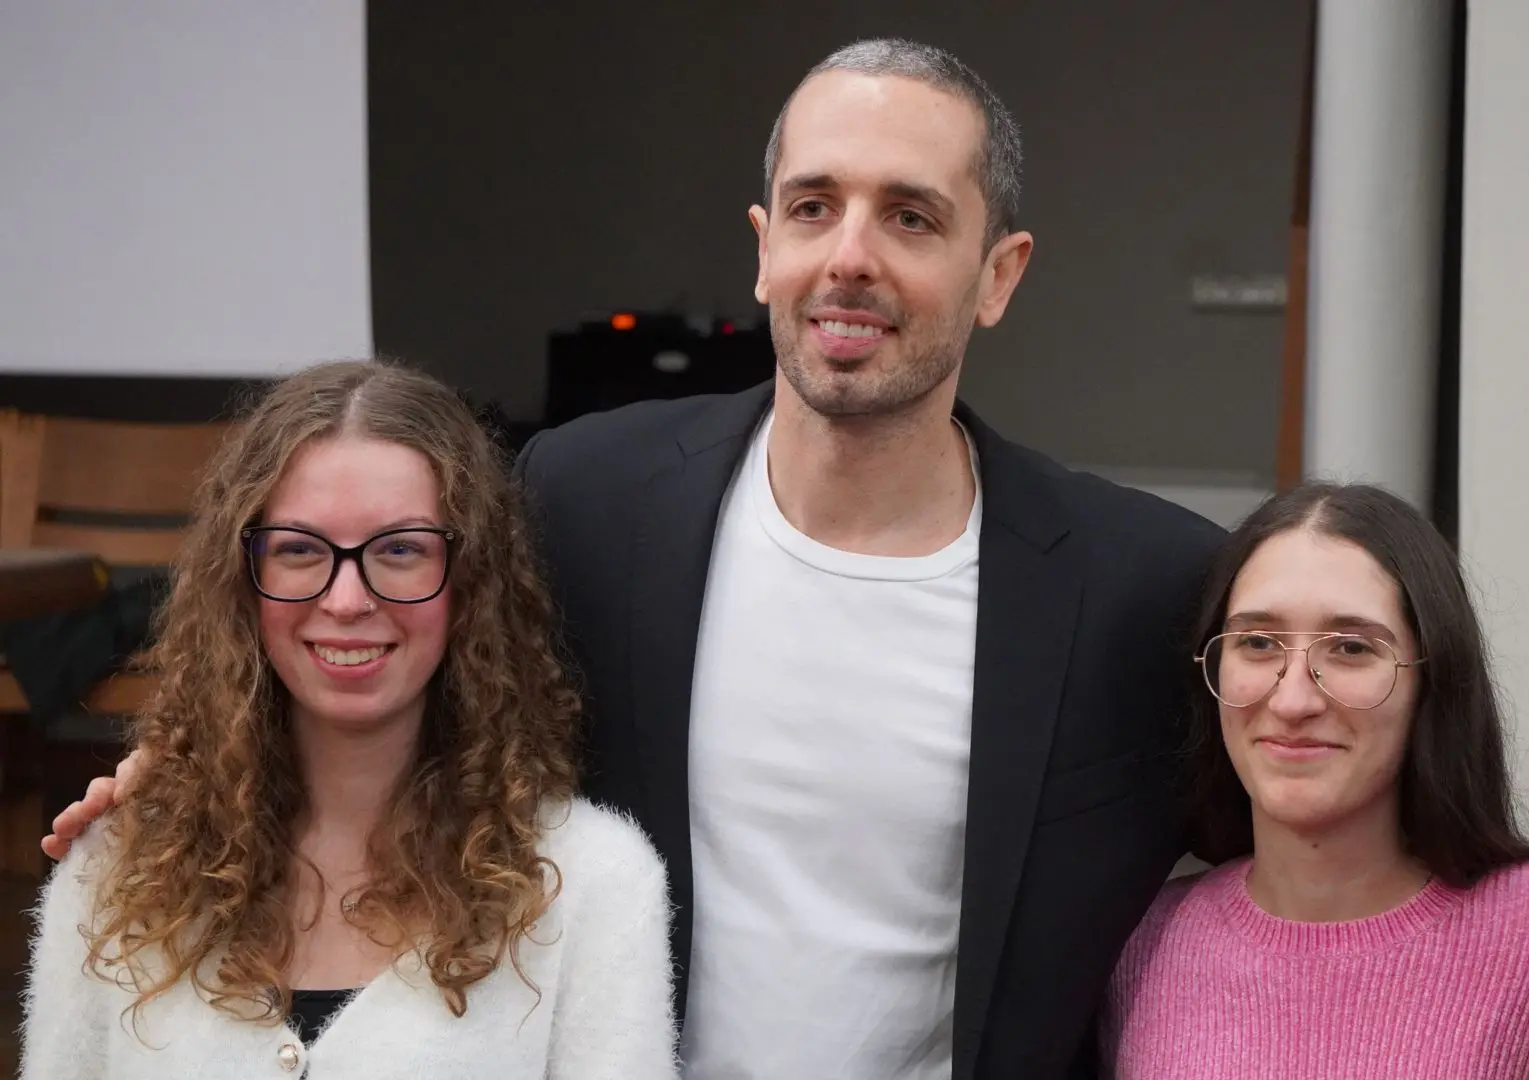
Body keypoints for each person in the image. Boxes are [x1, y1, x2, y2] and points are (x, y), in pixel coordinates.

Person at [47, 39, 1222, 1080]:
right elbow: (384, 641)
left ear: (1000, 272)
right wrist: (192, 763)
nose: (850, 256)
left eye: (911, 217)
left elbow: (1314, 828)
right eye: (814, 207)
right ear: (765, 248)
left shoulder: (1134, 584)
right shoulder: (589, 496)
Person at [23, 360, 676, 1079]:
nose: (346, 599)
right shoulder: (117, 874)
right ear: (242, 581)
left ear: (473, 583)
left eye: (400, 550)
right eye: (301, 550)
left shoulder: (591, 884)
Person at [1105, 482, 1529, 1078]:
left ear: (1432, 681)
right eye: (1257, 642)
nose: (1292, 699)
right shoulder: (1140, 943)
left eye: (1351, 648)